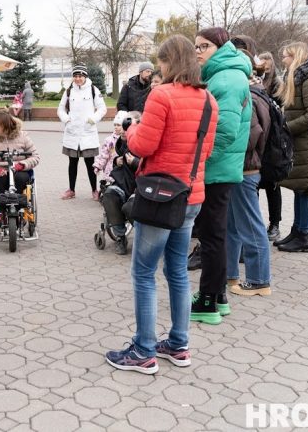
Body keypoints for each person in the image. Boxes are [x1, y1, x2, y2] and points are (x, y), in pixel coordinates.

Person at [105, 35, 218, 374]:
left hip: (159, 198)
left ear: (170, 62)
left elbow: (143, 146)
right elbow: (207, 150)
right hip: (191, 195)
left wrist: (131, 131)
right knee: (177, 272)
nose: (160, 68)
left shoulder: (161, 94)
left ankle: (143, 350)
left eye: (162, 62)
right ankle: (179, 344)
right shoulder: (209, 100)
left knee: (143, 272)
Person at [190, 27, 251, 325]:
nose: (198, 51)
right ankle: (219, 296)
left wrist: (199, 159)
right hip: (222, 168)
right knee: (216, 235)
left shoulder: (226, 78)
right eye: (196, 47)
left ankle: (207, 302)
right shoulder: (223, 74)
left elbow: (225, 132)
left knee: (212, 237)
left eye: (203, 46)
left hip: (217, 169)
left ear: (220, 47)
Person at [226, 47, 272, 297]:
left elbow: (251, 135)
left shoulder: (249, 96)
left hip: (245, 168)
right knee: (232, 225)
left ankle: (258, 280)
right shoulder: (256, 92)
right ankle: (230, 274)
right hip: (243, 168)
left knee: (250, 226)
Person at [273, 42, 308, 253]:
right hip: (301, 142)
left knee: (306, 189)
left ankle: (304, 236)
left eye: (286, 56)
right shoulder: (297, 78)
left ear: (296, 57)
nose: (283, 60)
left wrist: (286, 128)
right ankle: (297, 231)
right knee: (298, 188)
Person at [94, 111, 141, 255]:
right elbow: (118, 154)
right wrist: (116, 161)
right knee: (109, 196)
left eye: (128, 124)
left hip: (139, 186)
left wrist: (136, 163)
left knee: (129, 207)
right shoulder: (123, 141)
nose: (124, 127)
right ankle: (120, 237)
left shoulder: (145, 141)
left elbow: (155, 164)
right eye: (123, 124)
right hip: (122, 182)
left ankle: (144, 238)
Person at [57, 65, 107, 200]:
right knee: (72, 163)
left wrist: (93, 119)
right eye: (76, 76)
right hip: (72, 133)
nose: (78, 79)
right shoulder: (68, 91)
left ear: (85, 77)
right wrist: (66, 120)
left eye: (80, 76)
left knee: (90, 164)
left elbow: (102, 108)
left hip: (87, 133)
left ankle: (94, 190)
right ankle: (71, 190)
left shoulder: (93, 90)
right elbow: (61, 109)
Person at [0, 111, 40, 208]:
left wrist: (22, 164)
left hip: (19, 170)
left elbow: (35, 156)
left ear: (4, 125)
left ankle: (18, 206)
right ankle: (0, 207)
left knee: (21, 178)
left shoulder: (23, 136)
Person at [257, 51, 284, 241]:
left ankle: (275, 224)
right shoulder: (257, 80)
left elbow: (279, 107)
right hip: (260, 138)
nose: (265, 64)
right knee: (255, 185)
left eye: (268, 61)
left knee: (273, 185)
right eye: (262, 61)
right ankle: (256, 223)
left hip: (272, 138)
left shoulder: (277, 84)